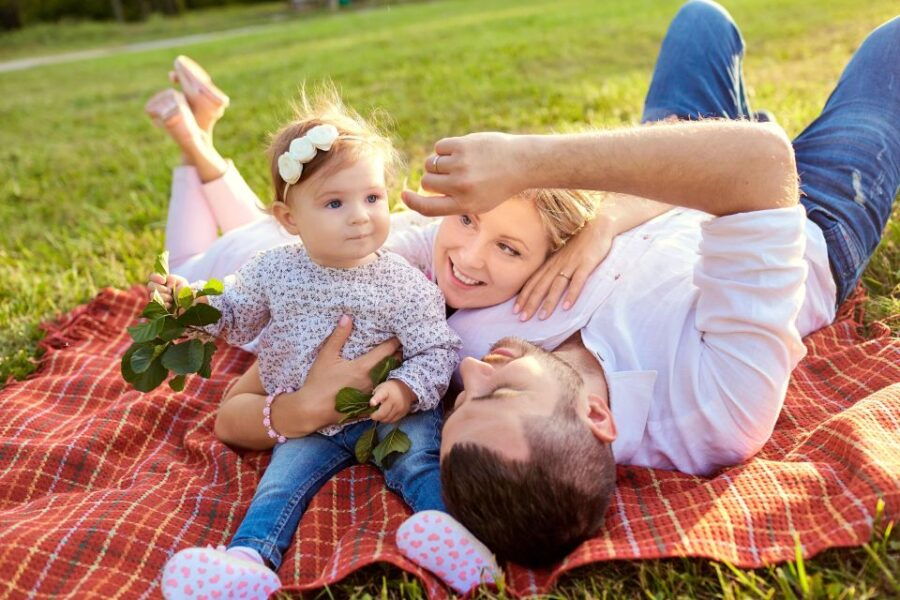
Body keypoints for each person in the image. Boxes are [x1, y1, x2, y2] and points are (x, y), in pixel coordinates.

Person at [389, 0, 899, 578]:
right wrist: (527, 160)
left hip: (661, 186)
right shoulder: (714, 413)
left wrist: (604, 221)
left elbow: (390, 248)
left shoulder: (475, 330)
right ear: (598, 416)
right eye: (497, 392)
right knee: (895, 42)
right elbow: (762, 166)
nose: (472, 371)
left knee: (700, 21)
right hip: (811, 214)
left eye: (458, 403)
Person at [154, 90, 467, 600]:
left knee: (417, 461)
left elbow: (436, 350)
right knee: (279, 485)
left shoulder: (405, 283)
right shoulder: (273, 269)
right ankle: (248, 560)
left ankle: (451, 534)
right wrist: (191, 310)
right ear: (289, 218)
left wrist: (408, 391)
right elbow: (236, 316)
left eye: (371, 198)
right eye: (335, 203)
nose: (361, 216)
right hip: (309, 416)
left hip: (386, 411)